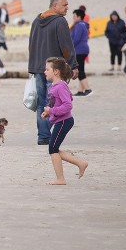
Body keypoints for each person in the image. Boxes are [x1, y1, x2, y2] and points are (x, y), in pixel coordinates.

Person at [27, 0, 78, 146]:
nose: (67, 7)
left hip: (38, 68)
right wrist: (73, 65)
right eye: (65, 5)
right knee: (55, 102)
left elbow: (31, 44)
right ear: (55, 6)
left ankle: (43, 136)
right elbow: (66, 46)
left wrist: (33, 66)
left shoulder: (37, 20)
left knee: (42, 102)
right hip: (54, 70)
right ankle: (46, 134)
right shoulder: (59, 21)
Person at [40, 57, 88, 185]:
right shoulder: (54, 86)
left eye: (47, 69)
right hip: (60, 121)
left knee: (53, 149)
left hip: (64, 121)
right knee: (53, 148)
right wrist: (48, 112)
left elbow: (68, 105)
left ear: (56, 71)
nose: (44, 72)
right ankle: (80, 163)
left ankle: (61, 179)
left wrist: (52, 111)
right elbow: (60, 102)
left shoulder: (60, 86)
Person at [70, 8, 92, 96]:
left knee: (79, 70)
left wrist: (70, 47)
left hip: (80, 50)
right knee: (81, 69)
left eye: (74, 16)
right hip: (82, 49)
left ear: (79, 17)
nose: (73, 18)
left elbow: (76, 38)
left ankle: (87, 89)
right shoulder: (82, 25)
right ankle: (80, 90)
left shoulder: (79, 25)